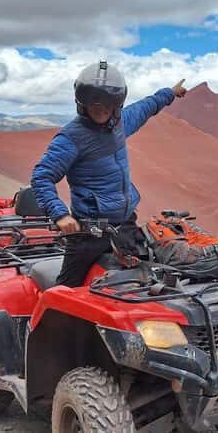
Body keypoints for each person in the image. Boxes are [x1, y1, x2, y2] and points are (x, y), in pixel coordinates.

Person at [30, 61, 187, 287]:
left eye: (106, 105)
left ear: (116, 105)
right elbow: (41, 176)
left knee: (146, 284)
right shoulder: (71, 137)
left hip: (125, 225)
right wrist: (60, 214)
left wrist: (170, 93)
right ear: (82, 104)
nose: (100, 110)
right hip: (89, 233)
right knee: (67, 291)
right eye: (94, 104)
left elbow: (148, 105)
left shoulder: (121, 123)